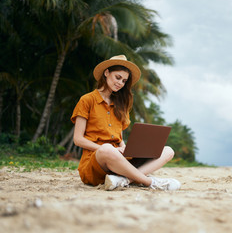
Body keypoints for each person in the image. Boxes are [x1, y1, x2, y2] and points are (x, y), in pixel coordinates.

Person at [71, 55, 181, 191]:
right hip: (96, 162)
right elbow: (78, 139)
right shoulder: (87, 100)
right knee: (106, 148)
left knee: (168, 151)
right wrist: (111, 150)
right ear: (106, 73)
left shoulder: (121, 105)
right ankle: (149, 182)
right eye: (118, 77)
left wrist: (124, 148)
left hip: (119, 161)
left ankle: (124, 180)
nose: (120, 83)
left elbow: (119, 138)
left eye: (124, 81)